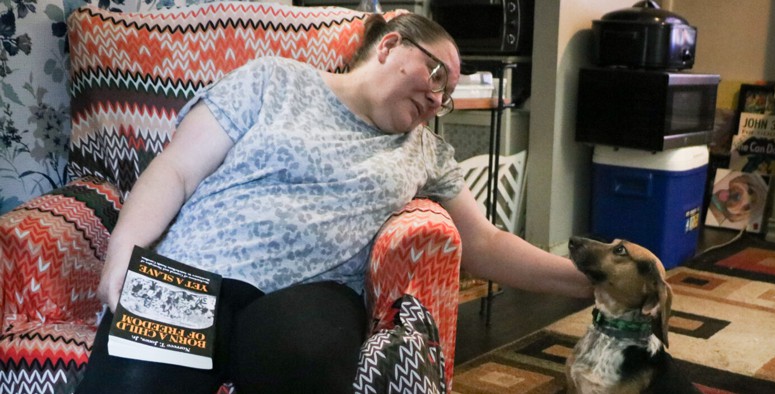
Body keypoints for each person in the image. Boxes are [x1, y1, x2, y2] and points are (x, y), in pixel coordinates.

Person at [76, 12, 593, 394]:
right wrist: (125, 248)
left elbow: (484, 242)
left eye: (448, 96)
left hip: (309, 296)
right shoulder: (272, 79)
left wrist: (590, 280)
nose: (438, 102)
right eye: (437, 76)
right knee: (130, 384)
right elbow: (177, 169)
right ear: (390, 45)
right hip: (192, 275)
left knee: (302, 356)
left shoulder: (426, 152)